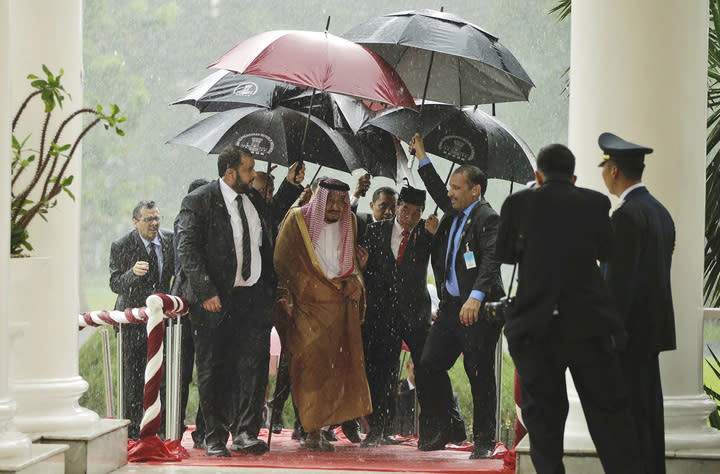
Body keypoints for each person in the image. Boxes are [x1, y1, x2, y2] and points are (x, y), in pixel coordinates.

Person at [496, 143, 639, 474]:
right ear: (573, 176)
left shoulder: (519, 203)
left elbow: (503, 253)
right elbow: (607, 250)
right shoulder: (595, 202)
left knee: (544, 425)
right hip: (588, 326)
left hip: (536, 328)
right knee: (609, 418)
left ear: (538, 174)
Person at [175, 145, 304, 457]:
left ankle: (246, 433)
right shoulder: (200, 200)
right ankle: (214, 437)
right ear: (230, 172)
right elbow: (187, 249)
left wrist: (290, 185)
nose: (254, 174)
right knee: (213, 369)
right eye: (249, 169)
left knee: (253, 367)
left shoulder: (253, 198)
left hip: (252, 300)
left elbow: (272, 221)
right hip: (214, 301)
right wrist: (205, 292)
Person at [410, 133, 505, 459]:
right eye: (450, 187)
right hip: (451, 309)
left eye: (456, 187)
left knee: (478, 373)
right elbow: (437, 189)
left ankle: (483, 440)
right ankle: (441, 428)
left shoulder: (487, 217)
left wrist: (475, 298)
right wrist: (422, 156)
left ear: (475, 190)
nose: (449, 192)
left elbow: (492, 261)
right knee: (428, 365)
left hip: (478, 310)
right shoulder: (453, 213)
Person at [272, 178, 371, 452]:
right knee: (309, 366)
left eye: (342, 201)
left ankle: (321, 428)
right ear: (319, 198)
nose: (337, 207)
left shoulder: (350, 220)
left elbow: (350, 264)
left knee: (335, 368)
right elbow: (282, 262)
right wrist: (287, 296)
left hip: (339, 304)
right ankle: (310, 429)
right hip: (306, 305)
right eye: (331, 201)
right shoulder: (297, 220)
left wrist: (357, 281)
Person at [599, 132, 676, 473]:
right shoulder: (660, 213)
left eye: (604, 166)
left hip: (626, 340)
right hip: (650, 336)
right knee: (648, 423)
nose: (602, 173)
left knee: (626, 427)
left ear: (614, 170)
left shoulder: (626, 217)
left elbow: (618, 285)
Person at [359, 184, 439, 447]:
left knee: (425, 370)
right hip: (382, 314)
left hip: (415, 314)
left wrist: (433, 234)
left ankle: (429, 432)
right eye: (406, 210)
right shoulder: (374, 231)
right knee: (381, 371)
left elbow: (439, 262)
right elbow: (365, 270)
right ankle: (378, 428)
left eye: (418, 213)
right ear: (398, 208)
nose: (411, 217)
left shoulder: (425, 235)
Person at [109, 200, 174, 440]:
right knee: (134, 380)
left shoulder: (170, 241)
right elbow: (115, 283)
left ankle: (163, 428)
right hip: (132, 324)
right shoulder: (122, 245)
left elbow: (177, 274)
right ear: (135, 222)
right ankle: (133, 431)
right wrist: (132, 273)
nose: (154, 223)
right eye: (148, 219)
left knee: (163, 378)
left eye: (157, 218)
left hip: (162, 321)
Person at [171, 178, 209, 448]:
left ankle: (193, 429)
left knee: (199, 372)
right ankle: (176, 428)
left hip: (193, 304)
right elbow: (185, 262)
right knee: (185, 373)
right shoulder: (187, 223)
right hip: (188, 304)